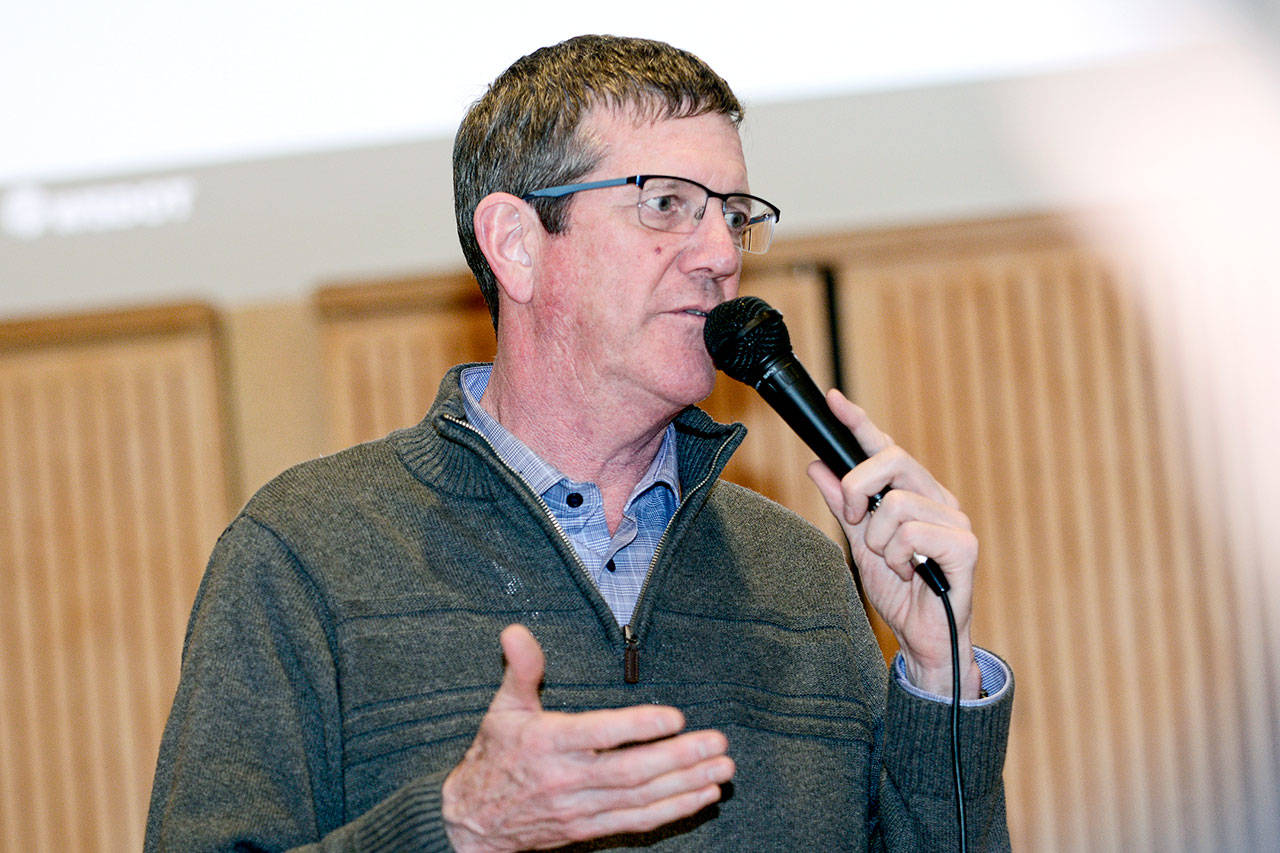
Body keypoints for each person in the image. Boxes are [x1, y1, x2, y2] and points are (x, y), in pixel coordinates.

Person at [146, 34, 1013, 851]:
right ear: (516, 245)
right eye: (666, 204)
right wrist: (459, 827)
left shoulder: (802, 576)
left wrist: (939, 678)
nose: (719, 253)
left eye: (735, 215)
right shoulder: (308, 552)